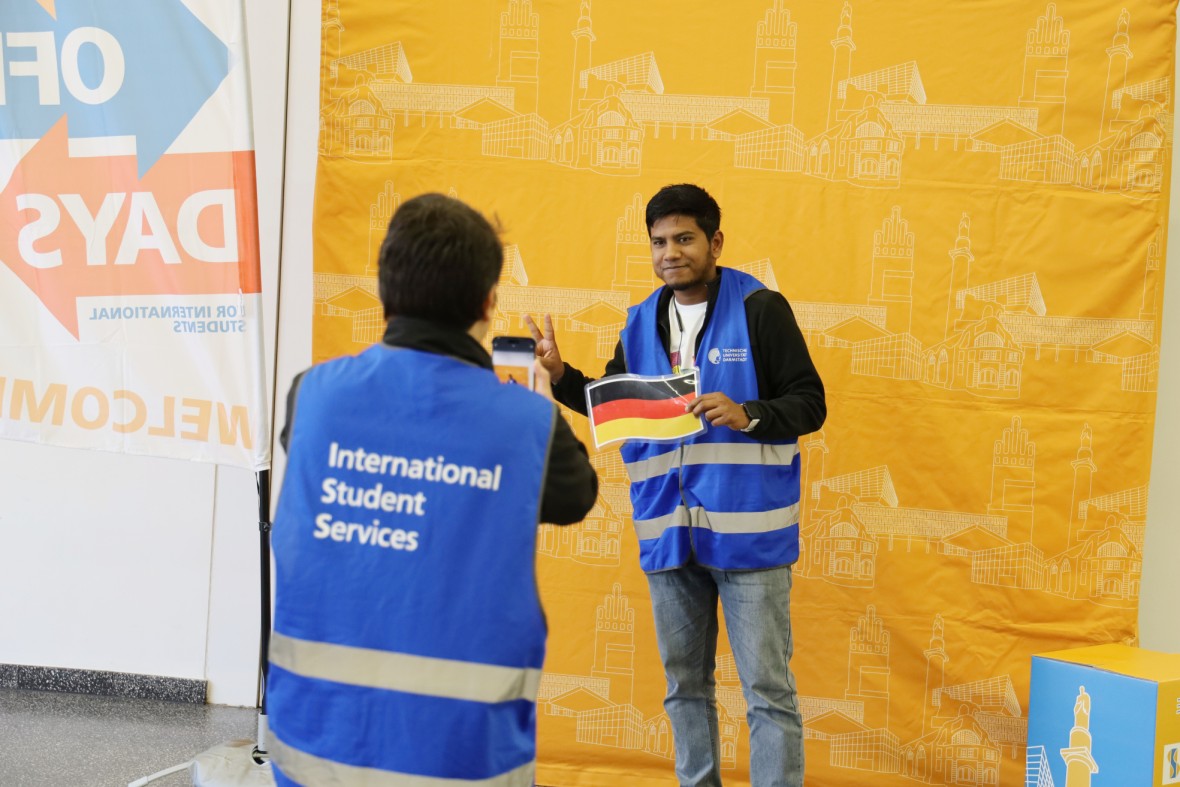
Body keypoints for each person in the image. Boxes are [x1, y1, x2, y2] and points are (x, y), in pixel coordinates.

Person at [268, 193, 598, 786]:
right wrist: (540, 405)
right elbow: (575, 496)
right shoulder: (525, 424)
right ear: (488, 301)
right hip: (461, 761)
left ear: (384, 289)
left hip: (315, 756)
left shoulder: (310, 395)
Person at [526, 183, 825, 787]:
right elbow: (615, 406)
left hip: (749, 538)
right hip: (668, 533)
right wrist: (560, 376)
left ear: (715, 242)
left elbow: (810, 403)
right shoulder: (640, 321)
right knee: (684, 687)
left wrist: (750, 413)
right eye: (659, 242)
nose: (671, 253)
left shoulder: (761, 309)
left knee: (767, 690)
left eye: (685, 239)